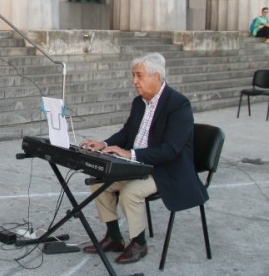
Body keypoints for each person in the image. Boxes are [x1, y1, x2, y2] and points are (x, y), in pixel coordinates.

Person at [78, 53, 208, 264]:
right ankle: (114, 237)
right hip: (137, 163)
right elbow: (127, 133)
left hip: (166, 168)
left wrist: (130, 154)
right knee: (99, 181)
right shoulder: (139, 102)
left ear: (155, 76)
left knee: (131, 192)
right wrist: (103, 144)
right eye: (133, 76)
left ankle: (139, 243)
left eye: (139, 76)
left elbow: (171, 150)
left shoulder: (178, 105)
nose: (134, 81)